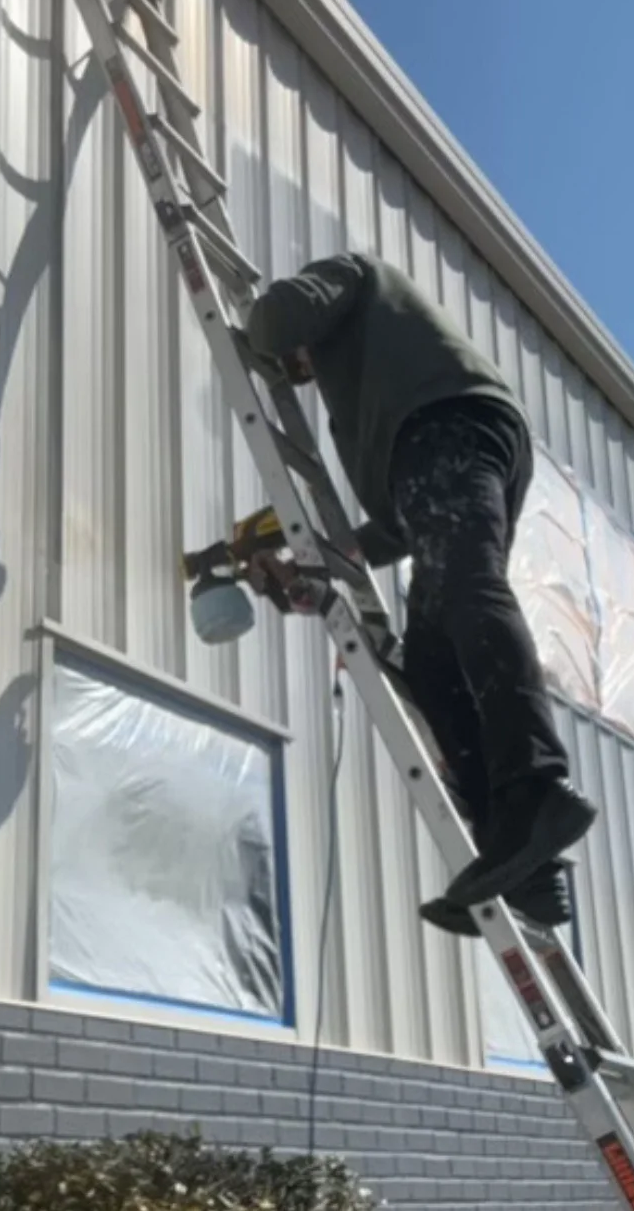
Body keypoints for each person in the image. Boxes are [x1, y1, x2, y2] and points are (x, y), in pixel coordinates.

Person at [244, 250, 595, 936]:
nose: (301, 372)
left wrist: (262, 338)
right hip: (445, 450)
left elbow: (271, 320)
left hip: (449, 425)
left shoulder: (353, 278)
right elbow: (399, 529)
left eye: (299, 364)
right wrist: (314, 562)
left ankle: (536, 788)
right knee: (432, 664)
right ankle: (522, 861)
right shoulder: (369, 396)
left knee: (469, 586)